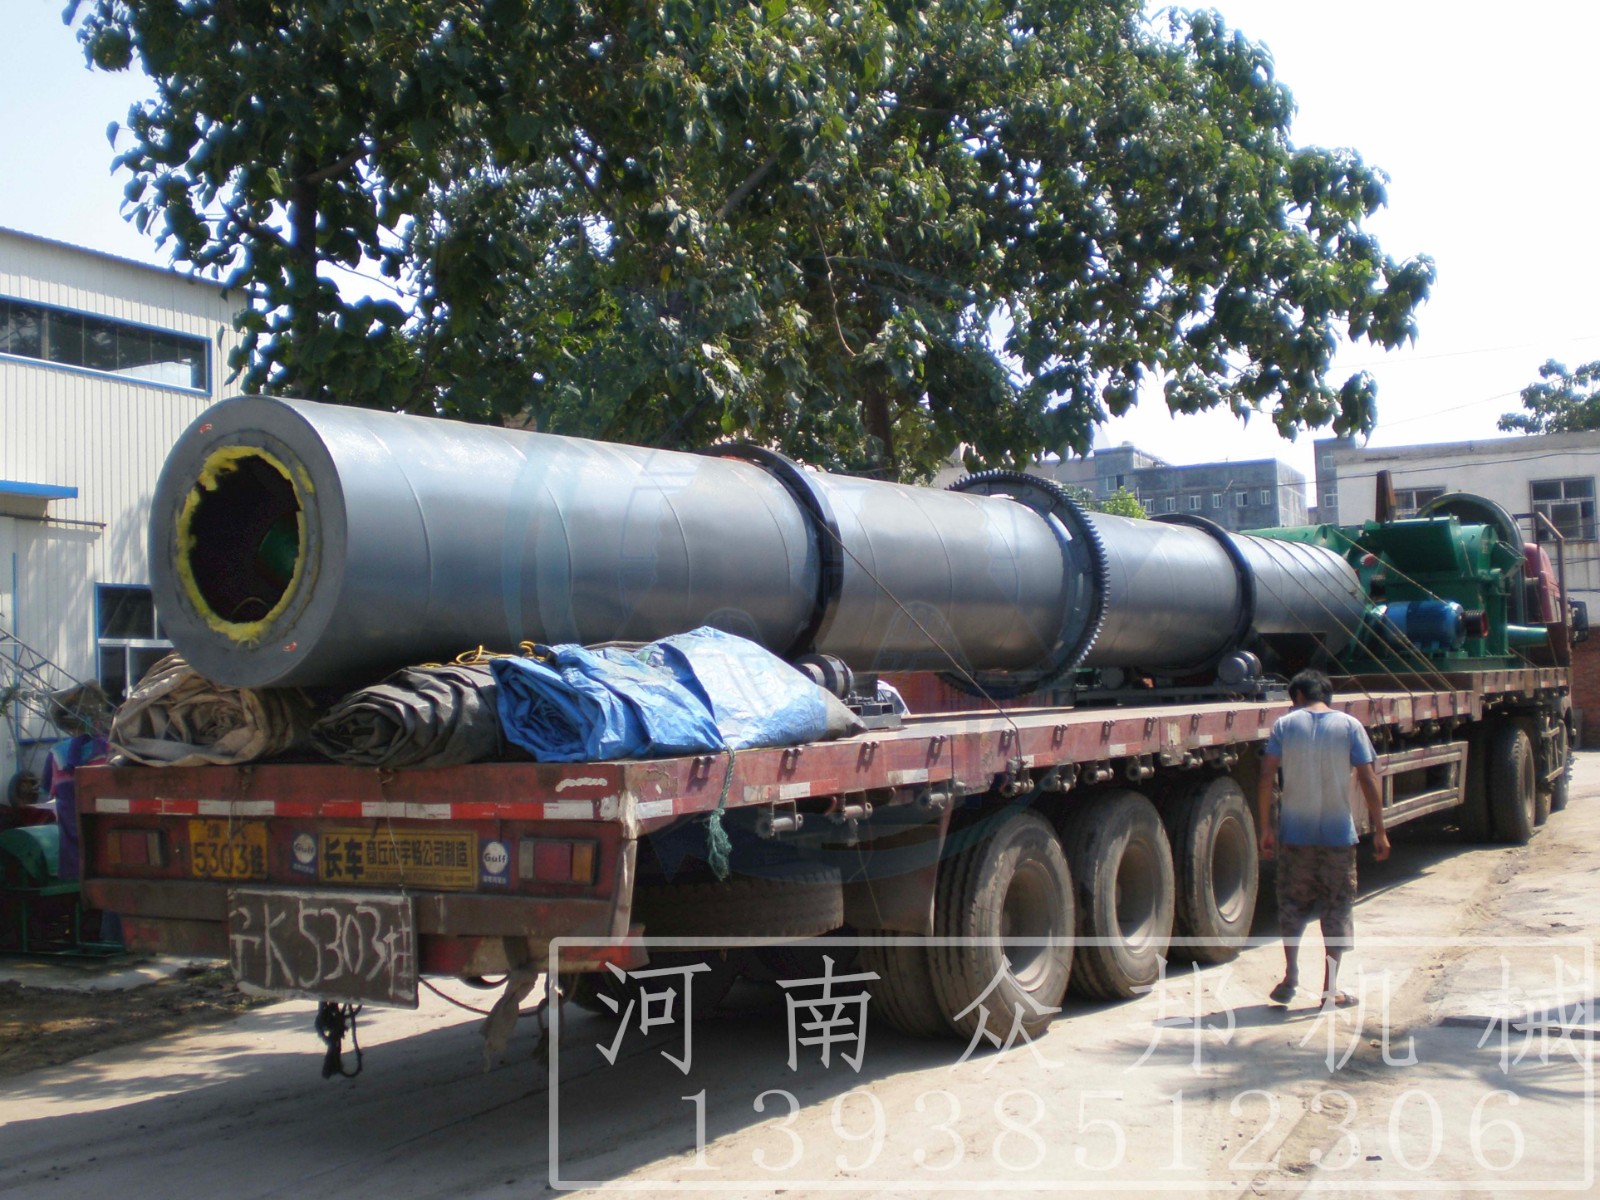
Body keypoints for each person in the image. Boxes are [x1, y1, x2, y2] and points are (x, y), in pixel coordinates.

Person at [1257, 669, 1389, 1008]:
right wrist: (1380, 829)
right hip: (1337, 836)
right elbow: (1368, 778)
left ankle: (1291, 976)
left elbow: (1267, 774)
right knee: (1337, 906)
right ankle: (1330, 989)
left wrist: (1266, 827)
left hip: (1295, 835)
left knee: (1291, 903)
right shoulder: (1350, 726)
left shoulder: (1285, 725)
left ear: (1299, 696)